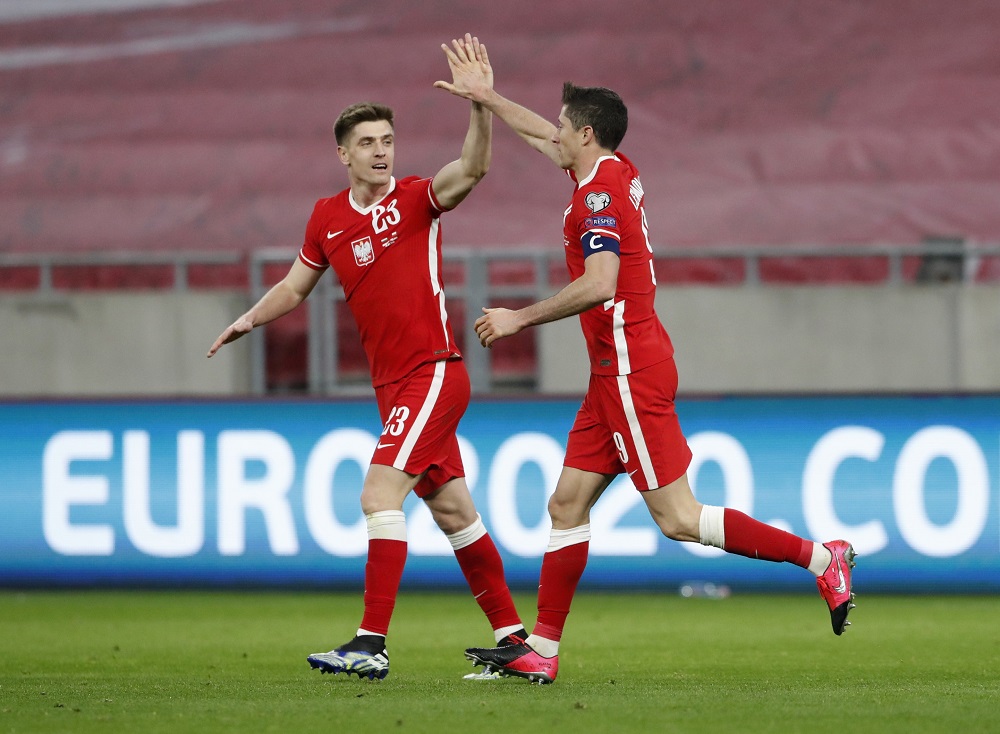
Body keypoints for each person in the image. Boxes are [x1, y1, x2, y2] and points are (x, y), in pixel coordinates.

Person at [437, 51, 857, 685]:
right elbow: (542, 138)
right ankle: (541, 650)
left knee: (679, 518)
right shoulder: (611, 167)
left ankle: (822, 558)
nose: (553, 133)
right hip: (613, 374)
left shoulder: (599, 195)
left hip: (630, 371)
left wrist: (520, 318)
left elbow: (601, 282)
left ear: (585, 133)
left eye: (562, 125)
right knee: (566, 504)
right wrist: (487, 99)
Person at [207, 34, 525, 681]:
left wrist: (480, 104)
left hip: (433, 371)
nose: (381, 152)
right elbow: (295, 286)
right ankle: (518, 645)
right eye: (368, 143)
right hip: (395, 386)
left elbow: (473, 168)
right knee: (455, 514)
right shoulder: (326, 217)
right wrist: (248, 318)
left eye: (387, 141)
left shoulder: (416, 198)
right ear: (343, 154)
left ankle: (370, 643)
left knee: (379, 492)